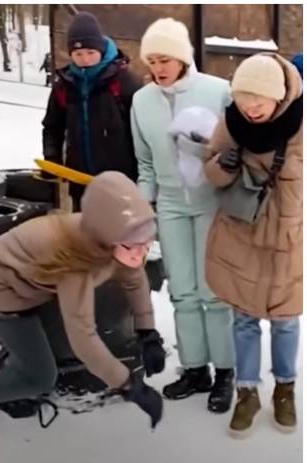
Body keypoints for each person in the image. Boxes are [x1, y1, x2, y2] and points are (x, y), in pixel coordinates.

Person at [0, 172, 165, 437]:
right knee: (38, 375)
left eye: (147, 242)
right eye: (133, 245)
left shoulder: (114, 238)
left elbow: (134, 280)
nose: (141, 252)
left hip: (35, 280)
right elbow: (83, 339)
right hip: (0, 285)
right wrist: (129, 385)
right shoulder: (76, 260)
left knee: (40, 341)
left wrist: (147, 332)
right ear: (108, 237)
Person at [131, 18, 236, 412]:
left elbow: (238, 148)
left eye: (165, 59)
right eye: (152, 60)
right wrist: (144, 210)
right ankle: (195, 369)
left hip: (212, 202)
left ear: (182, 58)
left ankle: (225, 371)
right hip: (172, 205)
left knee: (214, 293)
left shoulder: (217, 91)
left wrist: (225, 160)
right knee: (183, 293)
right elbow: (144, 164)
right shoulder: (141, 102)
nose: (158, 68)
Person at [202, 53, 303, 438]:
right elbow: (211, 171)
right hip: (241, 232)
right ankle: (247, 393)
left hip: (286, 238)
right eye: (243, 99)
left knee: (285, 319)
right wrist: (222, 164)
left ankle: (285, 389)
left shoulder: (301, 123)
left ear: (278, 97)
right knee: (244, 318)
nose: (250, 108)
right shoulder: (231, 122)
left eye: (258, 100)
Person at [42, 11, 142, 209]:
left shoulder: (123, 82)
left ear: (101, 49)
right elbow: (52, 127)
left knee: (117, 236)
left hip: (120, 181)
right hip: (80, 181)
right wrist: (52, 159)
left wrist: (142, 177)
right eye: (78, 54)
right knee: (84, 235)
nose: (85, 60)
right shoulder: (64, 85)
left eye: (90, 52)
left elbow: (142, 131)